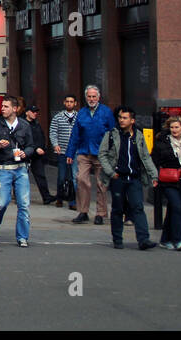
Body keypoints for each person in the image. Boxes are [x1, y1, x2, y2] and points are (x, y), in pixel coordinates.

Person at [96, 106, 157, 250]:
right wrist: (111, 173)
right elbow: (102, 154)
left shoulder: (139, 136)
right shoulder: (111, 134)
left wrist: (154, 175)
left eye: (125, 118)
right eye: (120, 117)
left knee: (138, 208)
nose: (121, 120)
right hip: (118, 177)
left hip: (134, 178)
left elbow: (145, 157)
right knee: (118, 209)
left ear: (132, 120)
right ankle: (117, 239)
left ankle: (143, 239)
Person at [0, 96, 32, 247]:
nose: (3, 109)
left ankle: (22, 236)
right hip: (3, 168)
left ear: (15, 108)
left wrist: (27, 152)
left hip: (21, 168)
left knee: (23, 204)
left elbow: (31, 145)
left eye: (6, 106)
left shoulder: (24, 125)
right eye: (2, 106)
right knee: (1, 203)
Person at [65, 85, 115, 224]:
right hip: (84, 151)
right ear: (86, 97)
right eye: (89, 96)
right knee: (81, 180)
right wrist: (70, 152)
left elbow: (113, 133)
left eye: (94, 96)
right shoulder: (81, 112)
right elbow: (75, 134)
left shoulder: (106, 112)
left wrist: (112, 153)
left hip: (101, 153)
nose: (91, 99)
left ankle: (100, 213)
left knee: (101, 183)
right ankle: (83, 211)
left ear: (98, 97)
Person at [152, 115, 181, 250]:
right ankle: (178, 239)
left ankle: (165, 239)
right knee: (177, 207)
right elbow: (154, 159)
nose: (174, 130)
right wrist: (154, 177)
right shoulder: (162, 141)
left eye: (177, 127)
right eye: (172, 127)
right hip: (167, 179)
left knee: (173, 210)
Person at [48, 94, 79, 210]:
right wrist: (55, 144)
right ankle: (60, 198)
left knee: (74, 177)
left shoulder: (79, 117)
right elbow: (53, 132)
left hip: (75, 152)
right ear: (64, 103)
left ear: (75, 103)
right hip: (62, 151)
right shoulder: (58, 117)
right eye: (67, 101)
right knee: (61, 176)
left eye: (72, 101)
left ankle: (73, 201)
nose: (69, 103)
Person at [23, 104, 52, 205]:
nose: (35, 113)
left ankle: (46, 197)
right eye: (33, 111)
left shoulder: (36, 124)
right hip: (27, 154)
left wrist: (43, 148)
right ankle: (20, 197)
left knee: (40, 176)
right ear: (27, 112)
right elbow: (24, 140)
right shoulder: (23, 124)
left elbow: (41, 137)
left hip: (38, 155)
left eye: (36, 112)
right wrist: (35, 149)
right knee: (22, 176)